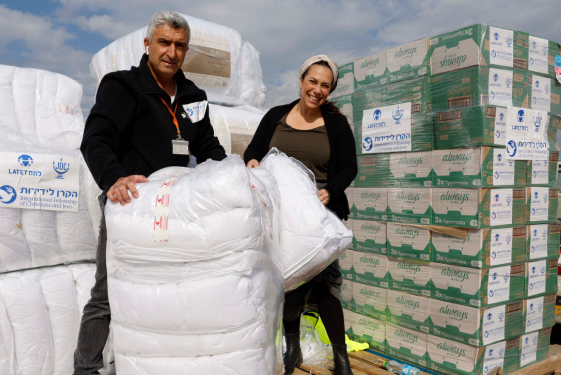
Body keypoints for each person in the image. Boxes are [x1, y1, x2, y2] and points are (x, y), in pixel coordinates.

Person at [74, 11, 226, 374]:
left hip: (173, 206)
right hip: (129, 203)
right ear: (148, 44)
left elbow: (207, 147)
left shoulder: (193, 95)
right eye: (164, 43)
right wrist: (114, 178)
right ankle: (86, 368)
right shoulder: (122, 87)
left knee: (167, 289)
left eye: (180, 45)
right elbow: (95, 139)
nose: (171, 52)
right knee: (107, 293)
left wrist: (233, 175)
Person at [244, 55, 357, 375]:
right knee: (289, 280)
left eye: (325, 85)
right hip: (282, 214)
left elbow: (350, 166)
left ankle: (341, 358)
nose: (317, 90)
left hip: (319, 213)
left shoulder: (335, 123)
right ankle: (292, 347)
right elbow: (254, 150)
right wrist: (252, 163)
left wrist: (330, 190)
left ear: (330, 90)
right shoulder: (277, 116)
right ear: (301, 81)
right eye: (312, 82)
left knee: (327, 283)